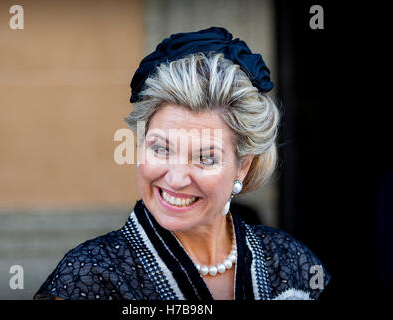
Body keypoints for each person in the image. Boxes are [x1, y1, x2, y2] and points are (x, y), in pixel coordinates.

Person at [34, 26, 330, 300]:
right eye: (161, 149)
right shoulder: (89, 274)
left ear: (243, 165)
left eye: (205, 158)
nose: (176, 179)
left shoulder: (289, 261)